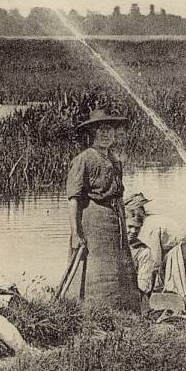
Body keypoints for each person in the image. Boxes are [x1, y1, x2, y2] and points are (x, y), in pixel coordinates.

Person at [66, 109, 142, 311]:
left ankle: (121, 310)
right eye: (101, 130)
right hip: (94, 220)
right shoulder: (84, 159)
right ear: (92, 133)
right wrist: (75, 233)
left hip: (115, 220)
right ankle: (92, 310)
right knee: (95, 266)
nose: (106, 134)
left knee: (119, 266)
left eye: (109, 130)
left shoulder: (115, 160)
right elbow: (73, 198)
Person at [124, 193, 186, 310]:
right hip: (185, 248)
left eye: (136, 227)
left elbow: (155, 261)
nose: (134, 230)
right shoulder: (146, 221)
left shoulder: (149, 226)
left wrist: (148, 291)